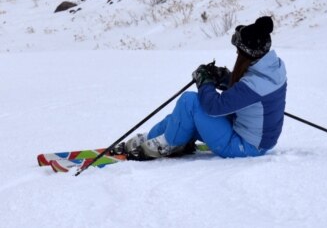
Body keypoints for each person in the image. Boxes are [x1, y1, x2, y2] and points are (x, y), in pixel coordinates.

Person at [114, 16, 287, 161]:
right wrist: (223, 77)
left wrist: (205, 81)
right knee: (182, 116)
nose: (236, 54)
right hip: (250, 135)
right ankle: (151, 138)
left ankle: (164, 145)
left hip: (247, 147)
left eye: (239, 51)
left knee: (190, 103)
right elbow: (244, 93)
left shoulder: (254, 85)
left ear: (247, 53)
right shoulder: (272, 68)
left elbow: (214, 107)